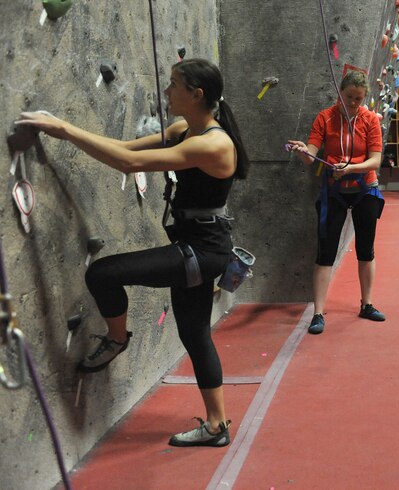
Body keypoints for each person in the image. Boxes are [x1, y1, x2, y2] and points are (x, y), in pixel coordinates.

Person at [16, 58, 249, 447]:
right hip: (196, 244)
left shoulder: (214, 144)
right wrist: (66, 131)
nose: (167, 91)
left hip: (202, 251)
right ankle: (217, 426)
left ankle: (117, 338)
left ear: (197, 94)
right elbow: (125, 148)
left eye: (174, 85)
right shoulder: (183, 128)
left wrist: (62, 129)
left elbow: (128, 163)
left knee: (102, 274)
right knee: (194, 334)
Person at [287, 71, 386, 335]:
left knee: (366, 249)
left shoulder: (369, 120)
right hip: (334, 192)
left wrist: (351, 167)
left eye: (359, 99)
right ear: (339, 93)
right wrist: (303, 151)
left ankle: (367, 304)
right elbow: (312, 155)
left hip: (365, 190)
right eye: (349, 97)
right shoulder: (325, 118)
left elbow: (375, 160)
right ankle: (318, 312)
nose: (354, 103)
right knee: (326, 252)